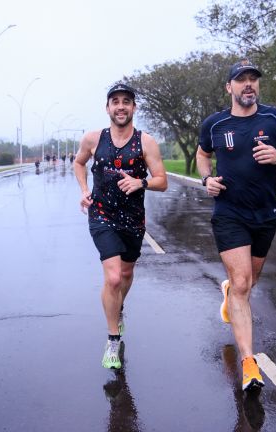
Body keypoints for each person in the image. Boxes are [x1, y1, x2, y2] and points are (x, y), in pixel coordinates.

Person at [196, 60, 276, 392]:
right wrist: (206, 179)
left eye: (253, 80)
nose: (248, 85)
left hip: (266, 213)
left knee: (247, 283)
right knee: (243, 283)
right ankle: (249, 362)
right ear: (229, 87)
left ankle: (230, 292)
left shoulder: (275, 119)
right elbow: (203, 155)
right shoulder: (215, 124)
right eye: (241, 80)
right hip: (229, 212)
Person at [74, 83, 168, 369]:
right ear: (107, 108)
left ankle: (119, 307)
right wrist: (83, 190)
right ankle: (112, 339)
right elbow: (79, 164)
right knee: (113, 278)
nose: (121, 106)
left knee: (126, 274)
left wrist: (141, 182)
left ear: (134, 108)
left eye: (126, 101)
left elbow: (162, 180)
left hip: (132, 219)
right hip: (101, 215)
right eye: (115, 101)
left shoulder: (146, 142)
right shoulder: (93, 139)